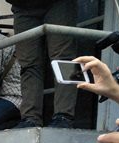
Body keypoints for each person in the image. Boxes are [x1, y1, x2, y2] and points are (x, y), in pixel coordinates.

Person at [10, 0, 78, 129]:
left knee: (65, 60)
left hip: (59, 3)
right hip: (21, 6)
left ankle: (64, 115)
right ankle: (30, 118)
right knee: (28, 64)